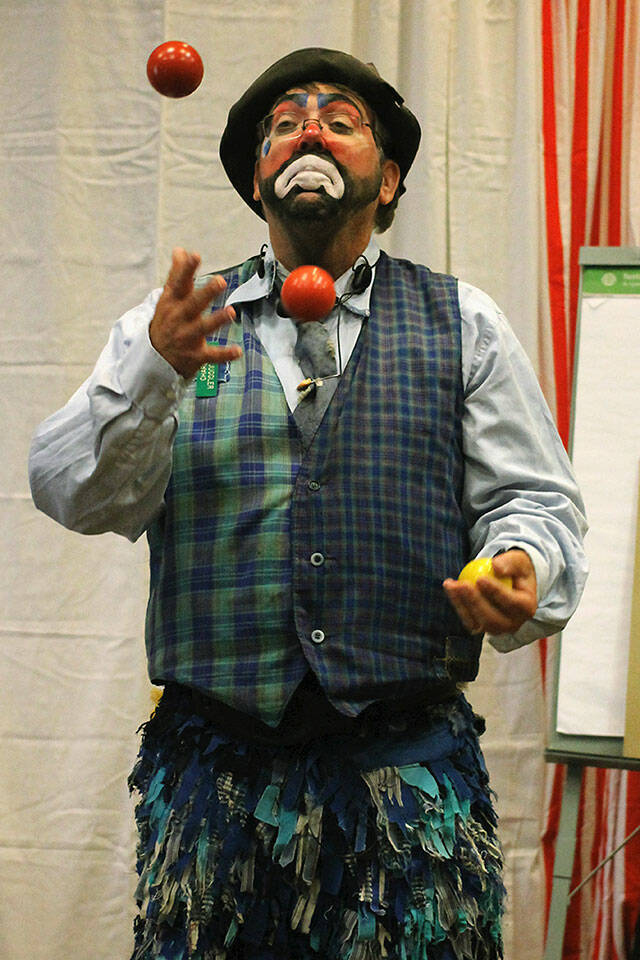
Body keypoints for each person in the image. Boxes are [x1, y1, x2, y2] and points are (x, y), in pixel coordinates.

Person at [29, 47, 587, 960]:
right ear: (260, 176)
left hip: (407, 782)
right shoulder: (173, 325)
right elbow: (68, 492)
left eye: (341, 118)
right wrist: (151, 370)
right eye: (284, 122)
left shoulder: (465, 320)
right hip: (215, 784)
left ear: (390, 175)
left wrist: (524, 562)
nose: (311, 131)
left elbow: (534, 500)